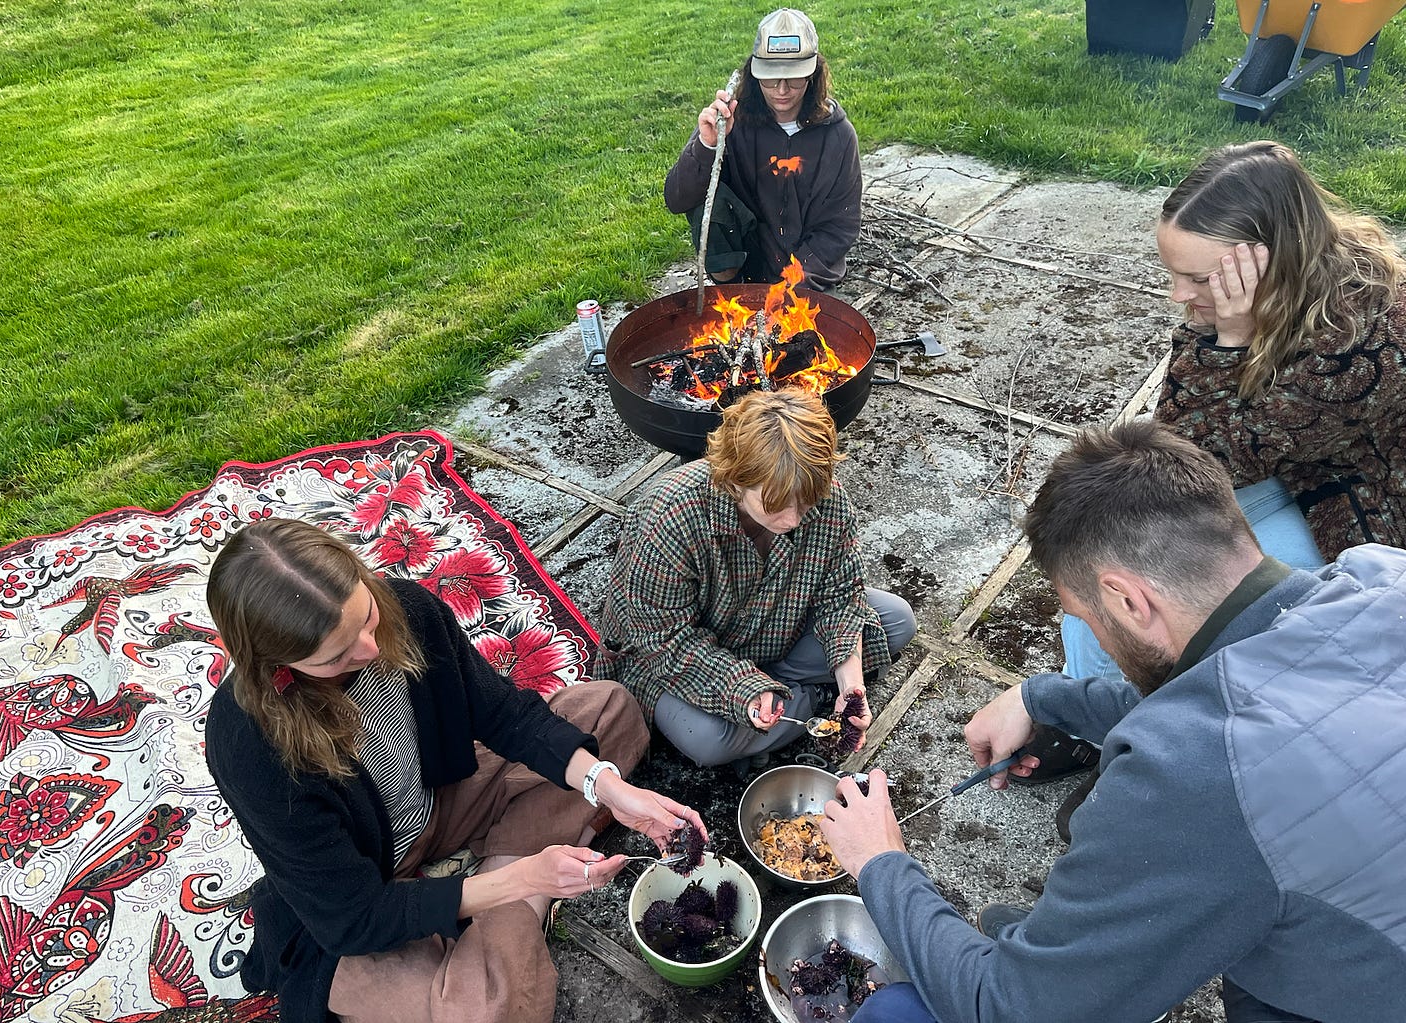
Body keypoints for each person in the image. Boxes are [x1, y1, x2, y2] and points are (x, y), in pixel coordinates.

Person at [819, 420, 1406, 1023]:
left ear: (1127, 600)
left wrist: (880, 863)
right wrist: (1039, 697)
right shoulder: (1381, 575)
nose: (1092, 633)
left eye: (1084, 615)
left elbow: (1007, 1010)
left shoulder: (1193, 781)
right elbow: (1246, 693)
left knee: (895, 1012)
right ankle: (1065, 953)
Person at [203, 518, 706, 1023]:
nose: (371, 650)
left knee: (609, 710)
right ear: (276, 666)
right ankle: (512, 896)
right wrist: (523, 878)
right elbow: (353, 919)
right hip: (362, 892)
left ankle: (498, 894)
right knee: (484, 1011)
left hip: (434, 804)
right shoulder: (249, 743)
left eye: (367, 617)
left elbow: (503, 714)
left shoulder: (408, 609)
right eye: (338, 656)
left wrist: (609, 788)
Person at [1063, 140, 1406, 686]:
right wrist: (1220, 332)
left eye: (1199, 280)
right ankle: (1090, 704)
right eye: (1174, 272)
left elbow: (1209, 459)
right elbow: (1175, 441)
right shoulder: (1279, 292)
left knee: (1153, 601)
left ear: (1270, 260)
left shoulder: (1360, 344)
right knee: (1106, 570)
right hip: (1285, 464)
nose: (1178, 294)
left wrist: (1229, 340)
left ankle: (1105, 718)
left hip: (1354, 505)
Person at [597, 388, 916, 776]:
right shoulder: (669, 516)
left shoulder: (827, 499)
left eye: (807, 501)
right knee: (708, 738)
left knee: (898, 620)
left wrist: (851, 687)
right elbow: (663, 642)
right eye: (778, 504)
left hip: (776, 627)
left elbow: (842, 598)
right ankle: (804, 696)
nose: (795, 519)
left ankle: (786, 704)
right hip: (679, 661)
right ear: (736, 479)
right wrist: (742, 689)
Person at [664, 8, 862, 291]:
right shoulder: (731, 121)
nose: (782, 90)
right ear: (755, 74)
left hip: (808, 276)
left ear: (813, 74)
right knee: (707, 192)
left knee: (807, 333)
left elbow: (841, 224)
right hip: (747, 267)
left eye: (794, 78)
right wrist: (707, 144)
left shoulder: (839, 135)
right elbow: (677, 199)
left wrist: (792, 283)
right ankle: (730, 290)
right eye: (771, 79)